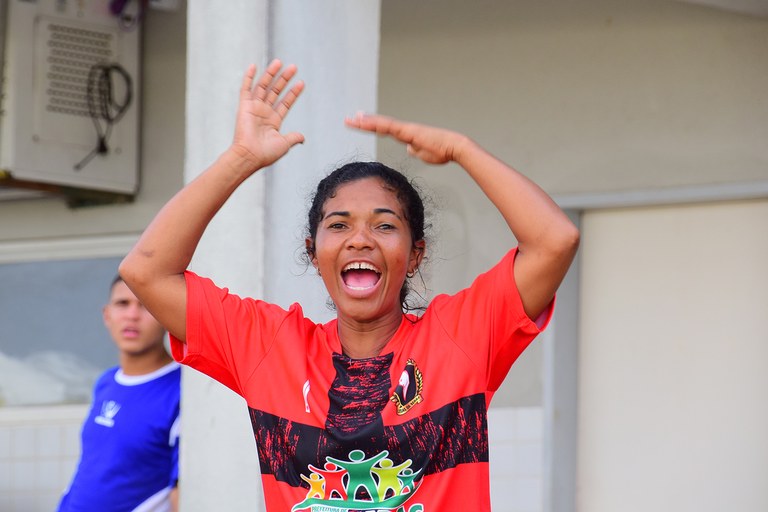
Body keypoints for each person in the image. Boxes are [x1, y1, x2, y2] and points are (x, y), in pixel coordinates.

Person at [119, 59, 579, 511]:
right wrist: (240, 158)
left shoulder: (461, 338)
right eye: (338, 226)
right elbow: (146, 272)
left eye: (383, 226)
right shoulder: (269, 348)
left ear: (415, 254)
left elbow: (554, 240)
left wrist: (462, 149)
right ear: (312, 251)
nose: (359, 238)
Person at [57, 276, 180, 512]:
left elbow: (181, 493)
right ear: (107, 315)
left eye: (145, 304)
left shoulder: (181, 391)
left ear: (165, 315)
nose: (132, 315)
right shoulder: (106, 382)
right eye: (122, 304)